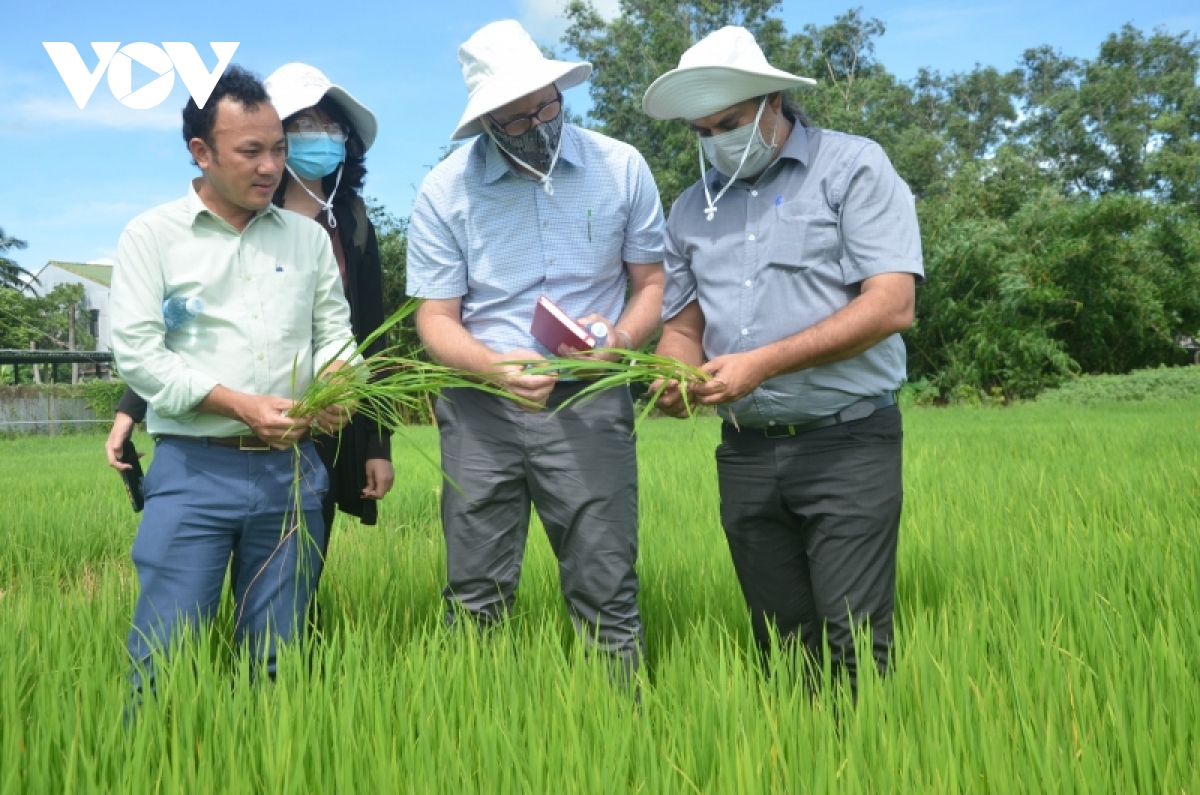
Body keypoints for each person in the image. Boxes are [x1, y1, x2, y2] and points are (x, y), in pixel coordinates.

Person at [643, 27, 924, 692]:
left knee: (854, 638)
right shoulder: (689, 210)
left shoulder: (852, 167)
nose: (717, 140)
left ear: (773, 102)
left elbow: (891, 304)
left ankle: (868, 746)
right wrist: (671, 374)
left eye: (730, 123)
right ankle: (795, 745)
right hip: (746, 452)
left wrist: (762, 363)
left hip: (846, 441)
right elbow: (682, 326)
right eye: (702, 131)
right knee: (780, 642)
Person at [406, 20, 666, 676]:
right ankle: (474, 718)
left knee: (606, 583)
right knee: (474, 590)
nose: (539, 125)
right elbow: (436, 318)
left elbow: (651, 285)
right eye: (517, 120)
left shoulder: (620, 167)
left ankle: (620, 718)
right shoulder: (446, 190)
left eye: (547, 107)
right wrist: (493, 366)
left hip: (588, 399)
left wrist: (621, 339)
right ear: (487, 122)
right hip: (480, 405)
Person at [109, 65, 357, 688]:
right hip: (194, 469)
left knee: (277, 660)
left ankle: (266, 743)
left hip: (292, 472)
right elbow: (139, 353)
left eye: (278, 148)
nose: (271, 166)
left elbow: (335, 336)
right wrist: (238, 405)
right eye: (251, 151)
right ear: (202, 152)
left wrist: (338, 386)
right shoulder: (152, 236)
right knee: (166, 656)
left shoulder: (306, 239)